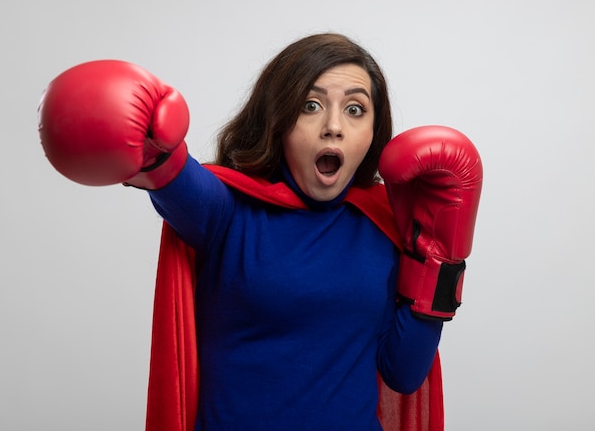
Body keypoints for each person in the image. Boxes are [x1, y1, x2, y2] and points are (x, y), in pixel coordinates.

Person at [38, 33, 482, 431]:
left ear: (372, 130)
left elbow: (403, 373)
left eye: (355, 109)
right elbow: (175, 178)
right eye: (311, 105)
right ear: (279, 119)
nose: (333, 125)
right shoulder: (227, 210)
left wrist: (442, 261)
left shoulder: (383, 223)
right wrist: (156, 152)